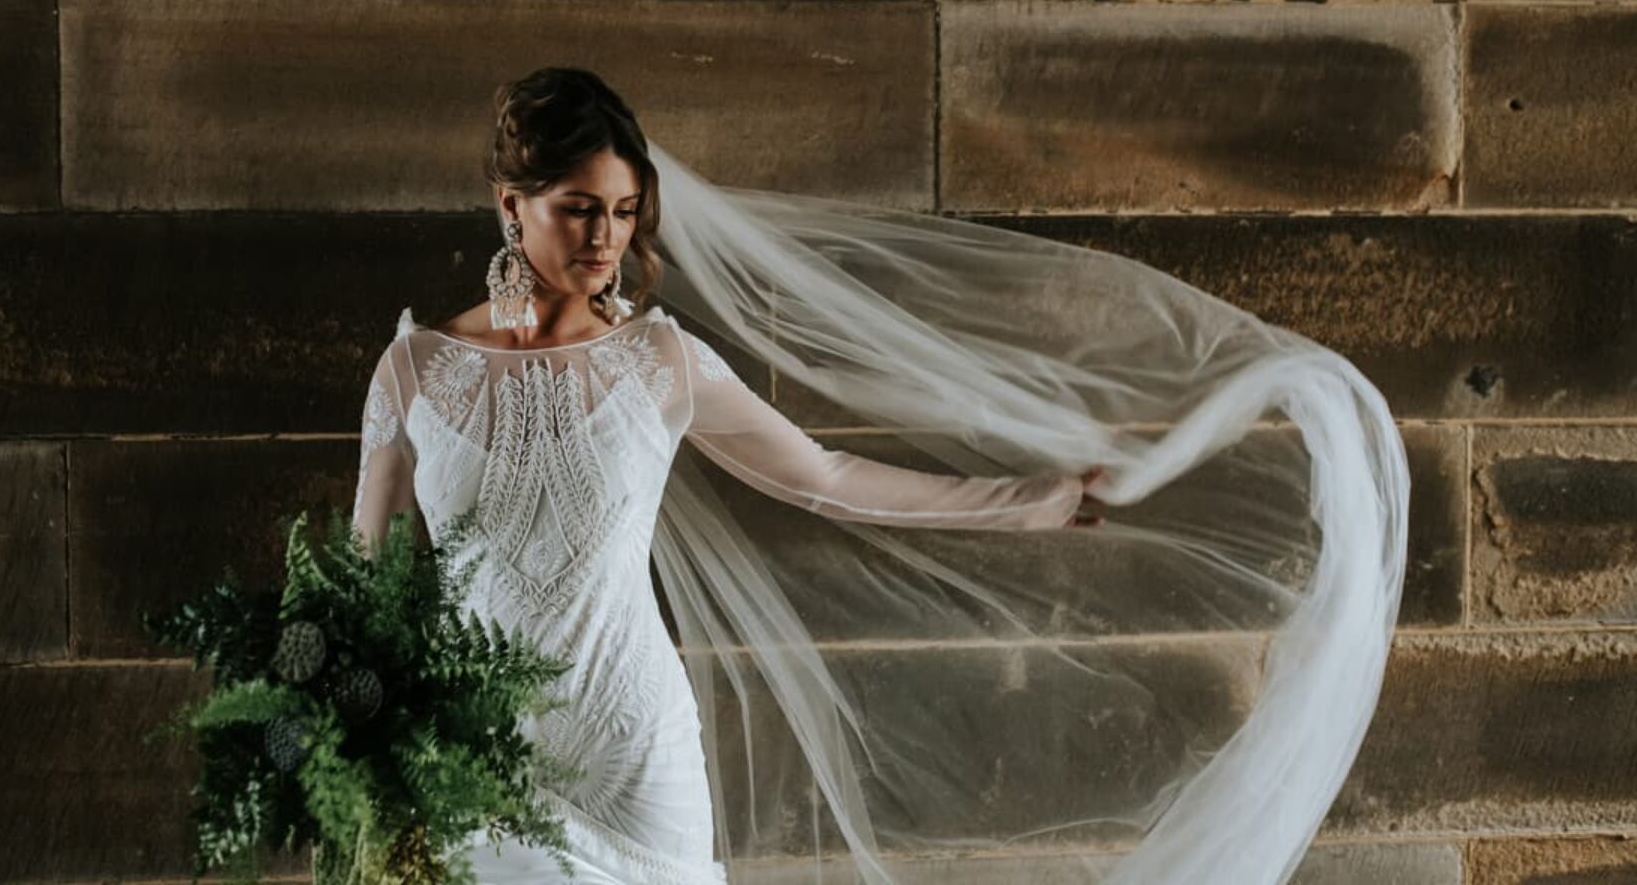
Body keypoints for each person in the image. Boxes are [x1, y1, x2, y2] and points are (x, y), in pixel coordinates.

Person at [354, 68, 1408, 885]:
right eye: (580, 209)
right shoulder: (414, 371)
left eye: (625, 213)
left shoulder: (659, 362)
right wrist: (351, 738)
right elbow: (359, 589)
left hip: (633, 746)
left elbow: (822, 477)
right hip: (472, 755)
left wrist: (1026, 502)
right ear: (512, 205)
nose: (606, 240)